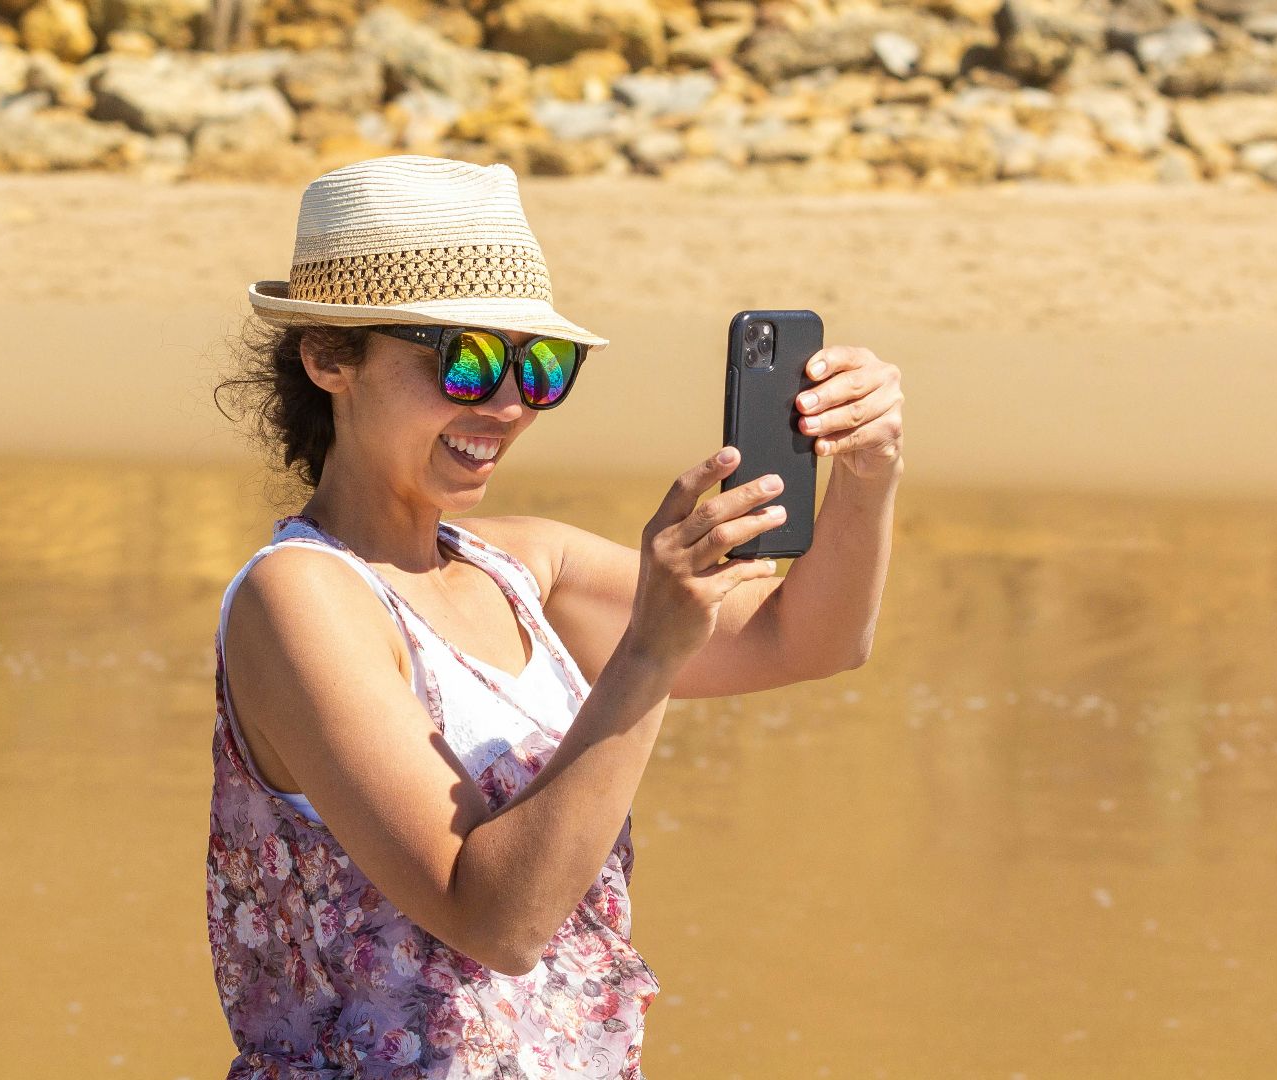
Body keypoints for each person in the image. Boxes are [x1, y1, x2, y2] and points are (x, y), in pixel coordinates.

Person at [207, 155, 903, 1078]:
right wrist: (652, 648)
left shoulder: (525, 567)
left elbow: (812, 639)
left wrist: (868, 472)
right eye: (466, 362)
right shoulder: (297, 596)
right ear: (331, 357)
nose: (506, 404)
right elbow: (495, 919)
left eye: (539, 366)